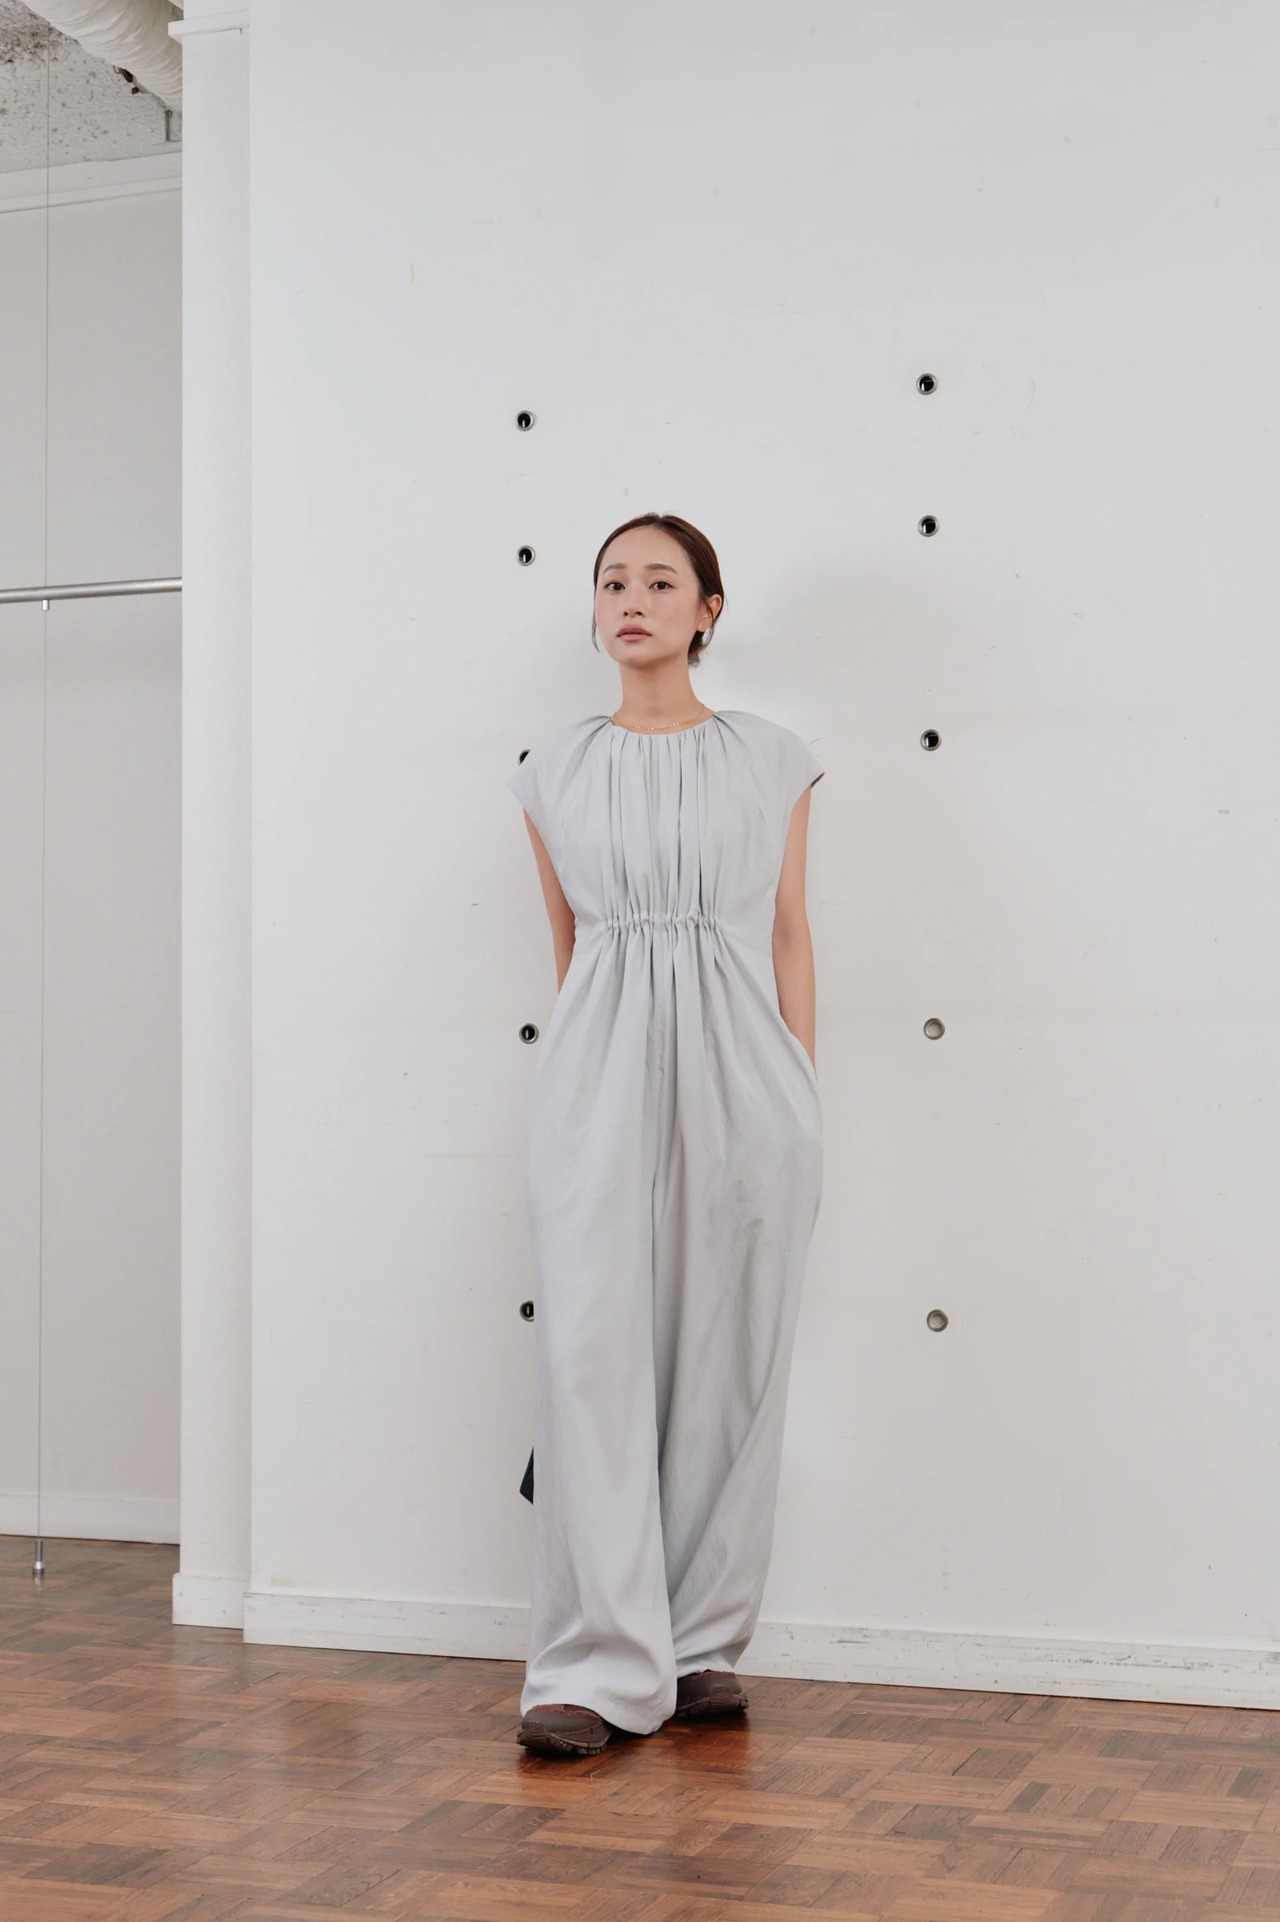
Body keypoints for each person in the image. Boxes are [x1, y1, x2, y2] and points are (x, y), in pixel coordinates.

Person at [506, 512, 825, 1757]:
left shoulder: (771, 759)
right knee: (590, 1354)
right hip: (595, 1078)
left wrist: (801, 1093)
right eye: (611, 581)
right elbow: (572, 945)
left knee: (727, 1358)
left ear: (707, 608)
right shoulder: (550, 769)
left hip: (748, 1082)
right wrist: (592, 1085)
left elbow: (787, 931)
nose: (630, 599)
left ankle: (698, 1644)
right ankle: (591, 1662)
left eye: (658, 580)